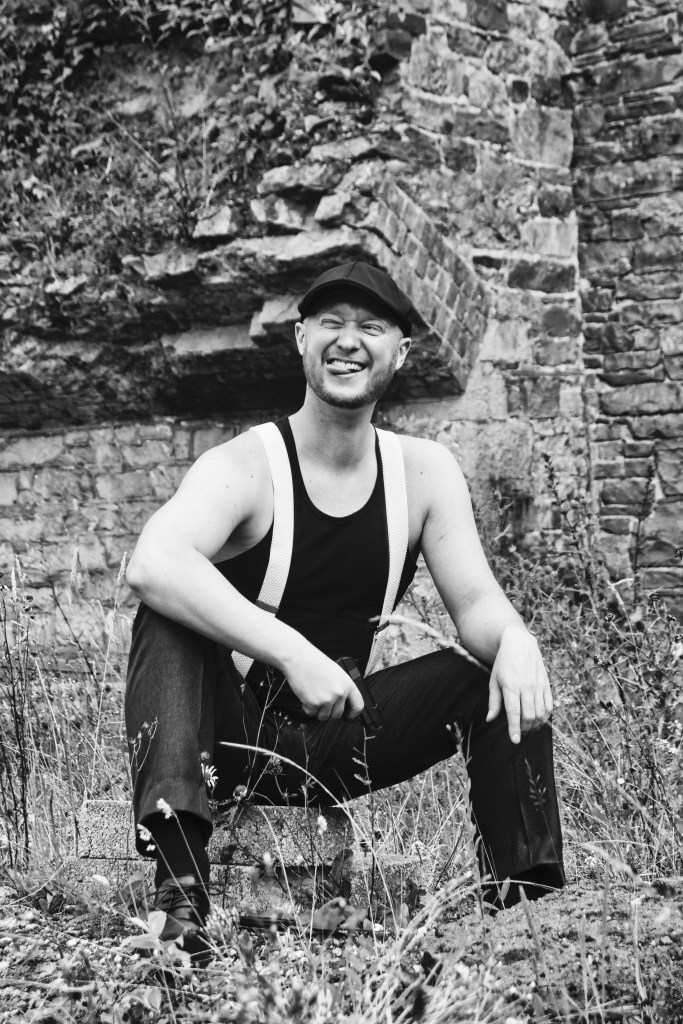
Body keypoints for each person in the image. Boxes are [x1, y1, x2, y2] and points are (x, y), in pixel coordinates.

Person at [125, 260, 565, 953]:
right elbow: (152, 561)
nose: (347, 340)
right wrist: (291, 653)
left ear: (401, 352)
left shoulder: (423, 473)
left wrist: (516, 639)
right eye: (330, 322)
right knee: (167, 612)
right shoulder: (246, 465)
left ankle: (529, 915)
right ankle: (179, 909)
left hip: (340, 737)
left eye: (369, 326)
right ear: (301, 338)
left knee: (493, 676)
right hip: (232, 739)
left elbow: (476, 601)